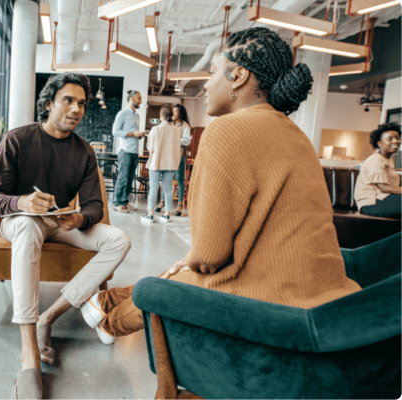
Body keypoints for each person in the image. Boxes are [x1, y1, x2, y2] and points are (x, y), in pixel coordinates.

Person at [79, 27, 361, 343]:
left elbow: (210, 256)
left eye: (213, 72)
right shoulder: (298, 137)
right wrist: (192, 260)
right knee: (183, 270)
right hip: (332, 300)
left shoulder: (225, 130)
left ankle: (109, 322)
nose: (206, 83)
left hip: (273, 305)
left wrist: (192, 259)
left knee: (181, 277)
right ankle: (105, 303)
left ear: (238, 76)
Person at [0, 72, 131, 399]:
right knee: (25, 224)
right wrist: (22, 202)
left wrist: (79, 217)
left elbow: (94, 204)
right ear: (49, 102)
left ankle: (48, 319)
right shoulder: (17, 139)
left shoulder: (83, 152)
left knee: (119, 239)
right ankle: (29, 356)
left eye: (82, 103)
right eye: (69, 100)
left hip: (60, 222)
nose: (77, 108)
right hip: (21, 220)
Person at [141, 104, 182, 223]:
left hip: (156, 162)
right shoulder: (177, 130)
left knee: (153, 188)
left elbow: (151, 148)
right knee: (167, 188)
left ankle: (150, 214)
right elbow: (177, 148)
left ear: (160, 115)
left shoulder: (156, 129)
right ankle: (167, 214)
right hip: (170, 163)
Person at [354, 123, 401, 218]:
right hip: (372, 202)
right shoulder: (375, 159)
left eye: (397, 138)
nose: (396, 141)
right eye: (390, 139)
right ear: (379, 143)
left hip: (384, 199)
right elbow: (384, 188)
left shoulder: (388, 160)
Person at [112, 90, 147, 213]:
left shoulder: (137, 116)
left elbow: (134, 133)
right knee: (123, 177)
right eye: (139, 98)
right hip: (125, 151)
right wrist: (133, 133)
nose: (141, 101)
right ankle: (116, 203)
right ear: (132, 99)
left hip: (134, 151)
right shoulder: (122, 114)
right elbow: (115, 131)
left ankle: (124, 202)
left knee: (130, 179)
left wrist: (139, 135)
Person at [155, 104, 192, 216]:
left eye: (175, 112)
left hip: (179, 156)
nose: (172, 114)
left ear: (180, 113)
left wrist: (174, 138)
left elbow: (186, 141)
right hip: (168, 156)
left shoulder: (185, 126)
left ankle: (180, 205)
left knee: (180, 180)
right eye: (172, 111)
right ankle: (162, 202)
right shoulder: (169, 125)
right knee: (167, 179)